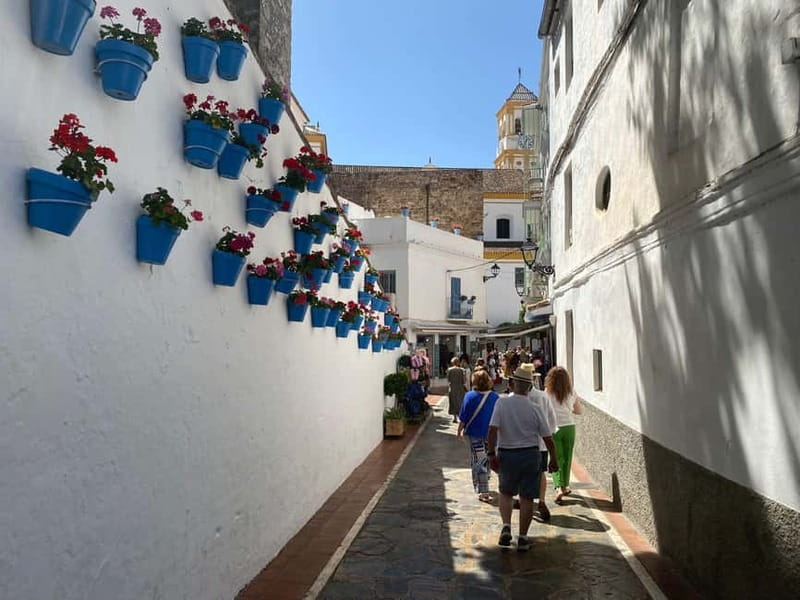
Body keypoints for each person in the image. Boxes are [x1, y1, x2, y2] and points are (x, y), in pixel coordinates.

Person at [487, 367, 558, 552]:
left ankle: (506, 526)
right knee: (527, 497)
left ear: (511, 384)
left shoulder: (501, 404)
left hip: (507, 454)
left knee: (506, 492)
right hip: (530, 455)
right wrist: (553, 459)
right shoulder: (535, 408)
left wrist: (491, 454)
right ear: (529, 387)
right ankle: (523, 537)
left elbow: (492, 430)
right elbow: (548, 437)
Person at [519, 363, 558, 521]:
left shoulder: (512, 398)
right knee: (540, 473)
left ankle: (524, 501)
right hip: (541, 444)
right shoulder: (542, 396)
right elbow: (551, 421)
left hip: (521, 444)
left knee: (523, 475)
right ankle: (541, 500)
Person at [457, 370, 500, 503]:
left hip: (475, 434)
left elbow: (463, 417)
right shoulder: (495, 397)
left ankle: (484, 490)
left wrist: (459, 430)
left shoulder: (469, 396)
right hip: (492, 435)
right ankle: (485, 480)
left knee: (479, 461)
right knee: (488, 457)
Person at [544, 366, 584, 504]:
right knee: (567, 458)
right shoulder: (571, 392)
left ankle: (558, 488)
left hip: (554, 429)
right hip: (569, 428)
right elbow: (579, 411)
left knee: (556, 457)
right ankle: (565, 486)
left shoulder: (547, 393)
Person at [446, 357, 467, 423]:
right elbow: (464, 381)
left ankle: (455, 418)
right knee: (460, 402)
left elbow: (448, 379)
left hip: (452, 388)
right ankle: (460, 417)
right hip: (460, 388)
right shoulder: (462, 370)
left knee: (453, 402)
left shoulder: (449, 370)